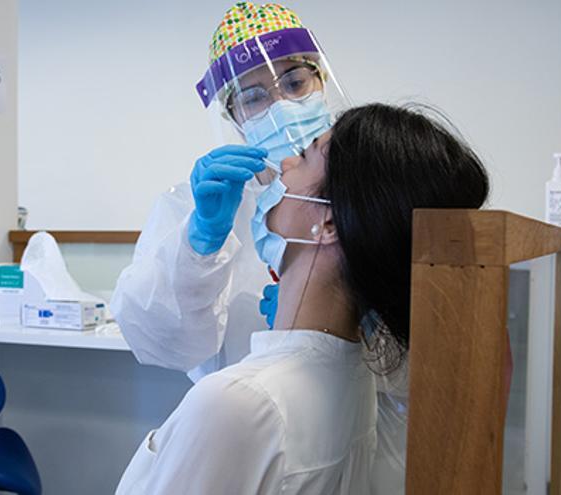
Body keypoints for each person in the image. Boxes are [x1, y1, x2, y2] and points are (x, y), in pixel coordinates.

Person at [115, 103, 490, 494]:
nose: (286, 164)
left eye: (306, 156)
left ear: (326, 223)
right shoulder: (355, 375)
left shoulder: (237, 403)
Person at [110, 2, 407, 492]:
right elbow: (157, 340)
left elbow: (416, 356)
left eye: (295, 83)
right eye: (253, 97)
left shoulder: (362, 184)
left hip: (346, 422)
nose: (282, 106)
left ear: (320, 80)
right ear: (233, 114)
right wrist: (199, 243)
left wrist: (367, 323)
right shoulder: (197, 202)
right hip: (243, 427)